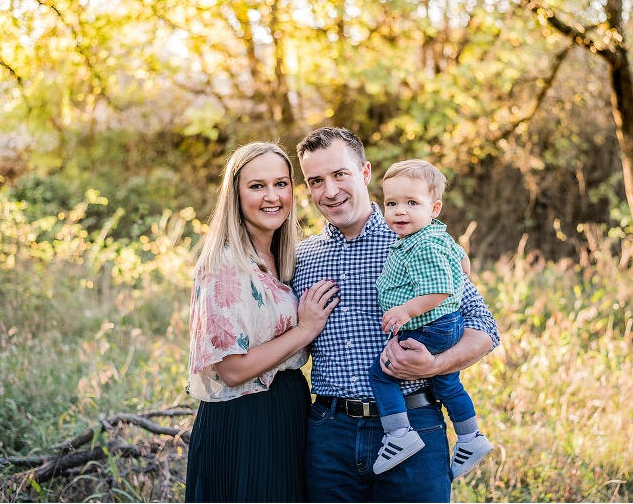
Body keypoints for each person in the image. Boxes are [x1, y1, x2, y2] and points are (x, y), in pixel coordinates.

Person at [293, 127, 500, 502]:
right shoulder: (303, 258)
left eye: (340, 174)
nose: (329, 190)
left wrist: (435, 364)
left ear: (365, 173)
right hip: (328, 433)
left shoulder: (415, 238)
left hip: (415, 424)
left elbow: (484, 326)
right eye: (315, 180)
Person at [184, 142, 339, 503]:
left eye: (281, 184)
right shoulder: (224, 265)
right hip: (245, 418)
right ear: (235, 194)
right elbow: (232, 371)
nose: (272, 197)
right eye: (257, 186)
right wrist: (304, 330)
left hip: (288, 409)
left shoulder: (287, 256)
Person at [368, 158, 494, 477]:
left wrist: (405, 310)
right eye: (392, 203)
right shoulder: (437, 236)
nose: (399, 211)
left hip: (428, 325)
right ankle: (470, 437)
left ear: (434, 208)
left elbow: (439, 288)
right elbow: (463, 265)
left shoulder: (420, 246)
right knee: (447, 382)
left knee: (383, 373)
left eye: (412, 203)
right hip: (447, 323)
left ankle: (399, 435)